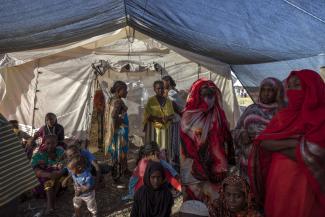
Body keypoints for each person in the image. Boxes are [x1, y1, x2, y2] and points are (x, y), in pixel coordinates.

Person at [249, 69, 325, 217]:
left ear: (313, 87)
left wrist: (281, 146)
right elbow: (263, 142)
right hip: (279, 179)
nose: (291, 90)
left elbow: (319, 156)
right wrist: (295, 144)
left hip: (305, 182)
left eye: (297, 85)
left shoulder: (321, 118)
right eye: (289, 86)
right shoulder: (284, 114)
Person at [180, 78, 234, 206]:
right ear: (196, 95)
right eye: (204, 95)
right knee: (195, 199)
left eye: (211, 95)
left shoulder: (219, 114)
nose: (208, 99)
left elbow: (225, 138)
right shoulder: (188, 116)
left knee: (214, 197)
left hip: (216, 165)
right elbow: (186, 143)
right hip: (193, 165)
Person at [232, 77, 284, 181]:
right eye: (263, 89)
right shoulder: (251, 109)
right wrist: (242, 135)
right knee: (247, 193)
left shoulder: (282, 113)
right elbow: (235, 131)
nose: (266, 93)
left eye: (270, 90)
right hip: (247, 165)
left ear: (278, 92)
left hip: (270, 165)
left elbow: (284, 137)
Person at [31, 135, 65, 215]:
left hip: (58, 177)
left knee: (56, 176)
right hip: (44, 178)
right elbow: (34, 168)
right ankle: (50, 206)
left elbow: (67, 163)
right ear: (44, 143)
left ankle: (50, 205)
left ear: (56, 143)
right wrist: (48, 175)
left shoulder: (60, 151)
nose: (50, 145)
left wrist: (60, 172)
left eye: (53, 143)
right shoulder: (39, 153)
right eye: (48, 143)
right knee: (47, 179)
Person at [144, 80, 175, 160]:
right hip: (154, 130)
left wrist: (167, 118)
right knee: (155, 148)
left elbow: (172, 115)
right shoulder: (151, 101)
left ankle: (164, 164)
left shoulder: (168, 101)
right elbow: (147, 116)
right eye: (158, 89)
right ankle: (155, 163)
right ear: (154, 89)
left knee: (164, 149)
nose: (160, 90)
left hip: (165, 130)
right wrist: (159, 119)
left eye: (162, 88)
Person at [105, 80, 129, 180]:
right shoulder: (118, 101)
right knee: (120, 152)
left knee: (116, 152)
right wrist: (121, 121)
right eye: (125, 90)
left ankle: (120, 171)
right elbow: (114, 115)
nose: (126, 92)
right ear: (118, 90)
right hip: (120, 132)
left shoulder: (111, 99)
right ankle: (118, 174)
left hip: (115, 131)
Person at [162, 75, 185, 171]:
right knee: (172, 144)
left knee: (173, 145)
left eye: (163, 82)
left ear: (168, 82)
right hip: (172, 122)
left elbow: (174, 105)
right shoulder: (170, 92)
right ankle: (173, 164)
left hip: (174, 122)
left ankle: (174, 166)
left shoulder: (172, 92)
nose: (162, 84)